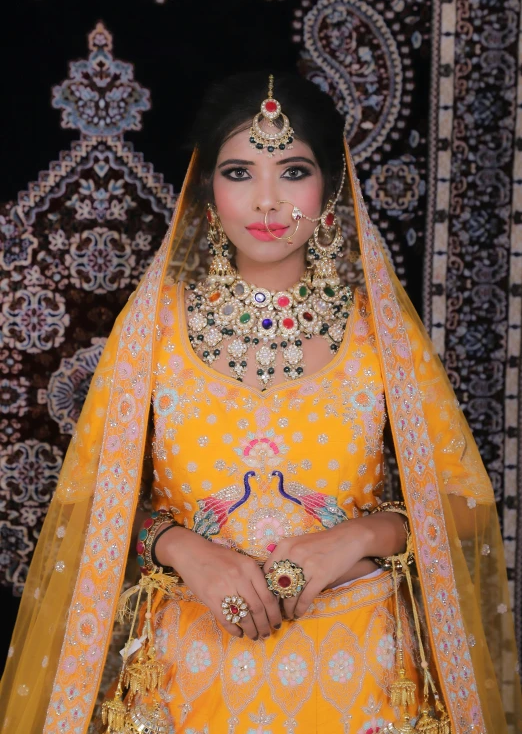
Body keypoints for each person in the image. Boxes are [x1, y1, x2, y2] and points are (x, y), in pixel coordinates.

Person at [0, 72, 520, 734]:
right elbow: (84, 508)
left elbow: (466, 507)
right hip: (187, 679)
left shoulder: (377, 335)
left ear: (331, 190)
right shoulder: (154, 335)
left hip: (360, 678)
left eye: (293, 170)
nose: (268, 200)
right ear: (209, 197)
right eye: (241, 172)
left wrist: (356, 536)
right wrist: (183, 547)